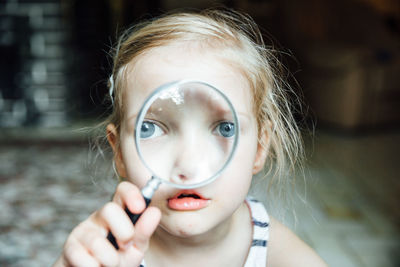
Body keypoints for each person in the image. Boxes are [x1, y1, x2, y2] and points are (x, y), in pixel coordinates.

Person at [53, 8, 327, 267]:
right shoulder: (110, 248)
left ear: (260, 147)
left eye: (224, 128)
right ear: (120, 153)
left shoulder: (279, 256)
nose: (188, 167)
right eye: (150, 129)